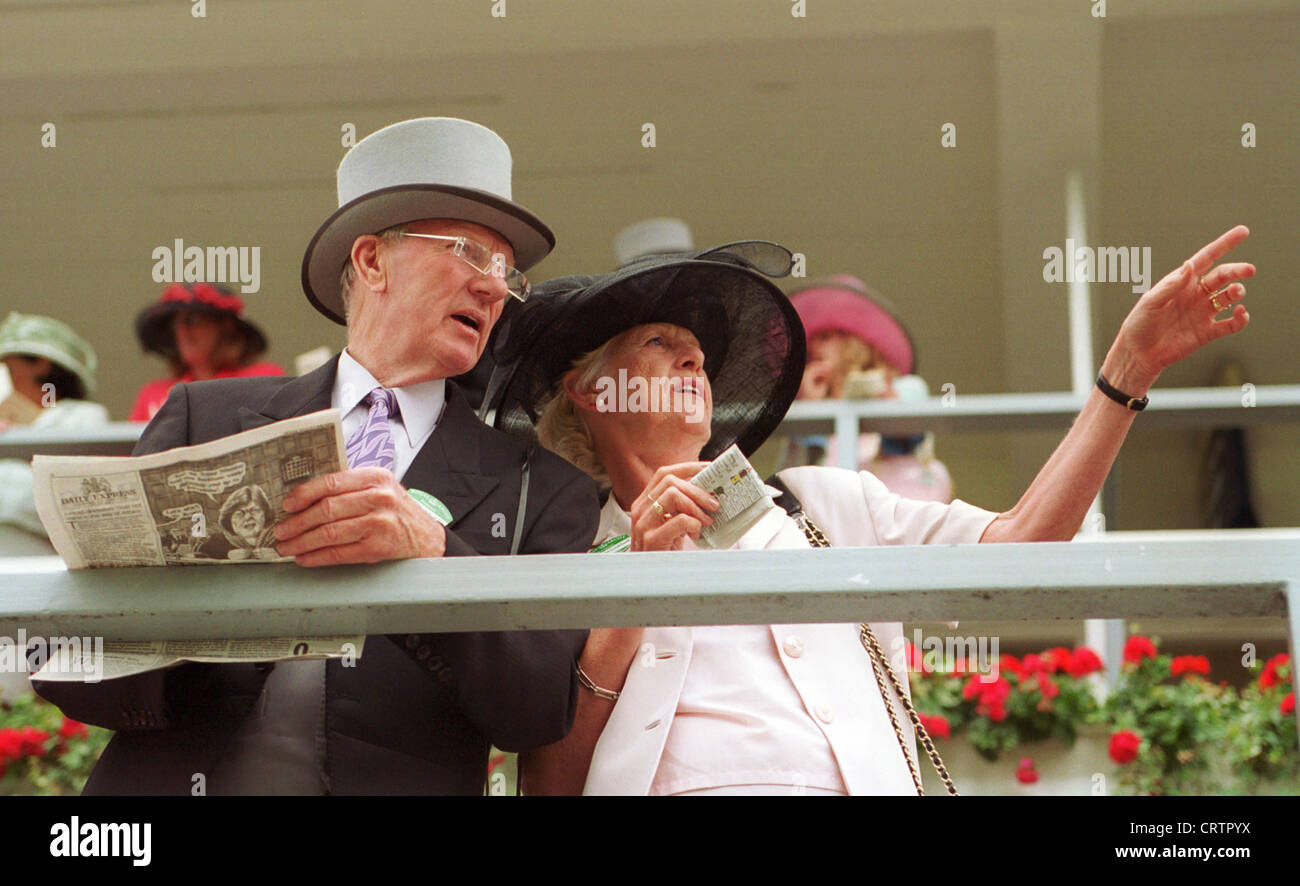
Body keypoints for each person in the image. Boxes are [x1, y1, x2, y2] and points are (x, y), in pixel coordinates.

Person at [484, 227, 1254, 795]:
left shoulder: (826, 505)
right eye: (661, 341)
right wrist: (635, 588)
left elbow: (1025, 545)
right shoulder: (568, 556)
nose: (693, 361)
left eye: (700, 353)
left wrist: (1126, 371)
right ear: (589, 391)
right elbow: (550, 786)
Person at [35, 116, 601, 795]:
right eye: (470, 253)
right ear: (369, 261)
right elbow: (71, 668)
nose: (492, 288)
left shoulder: (541, 487)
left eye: (508, 275)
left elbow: (537, 711)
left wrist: (436, 556)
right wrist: (195, 607)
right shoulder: (204, 417)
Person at [786, 275, 953, 502]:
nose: (813, 347)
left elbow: (908, 440)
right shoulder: (808, 402)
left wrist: (885, 401)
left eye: (824, 337)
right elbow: (800, 481)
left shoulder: (904, 387)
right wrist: (809, 407)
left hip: (896, 506)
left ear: (853, 344)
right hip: (840, 521)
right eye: (810, 342)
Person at [0, 312, 108, 545]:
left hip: (42, 560)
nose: (5, 377)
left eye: (8, 367)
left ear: (41, 364)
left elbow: (66, 500)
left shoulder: (83, 417)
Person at [128, 282, 284, 422]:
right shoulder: (152, 395)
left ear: (225, 326)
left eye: (192, 320)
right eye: (176, 324)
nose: (182, 331)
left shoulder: (262, 379)